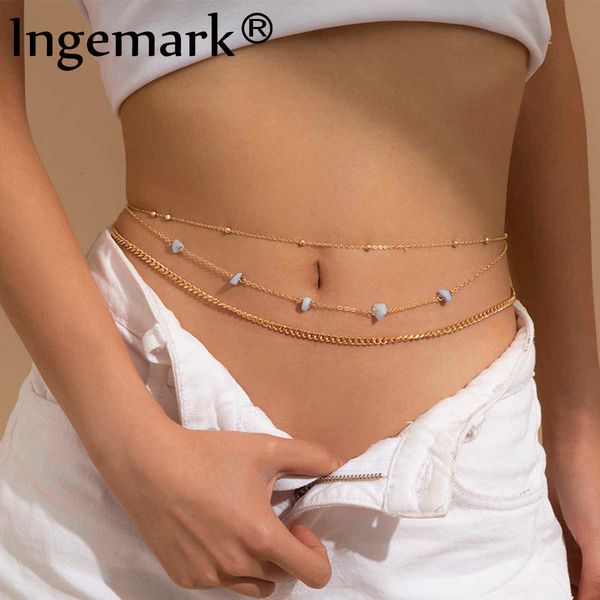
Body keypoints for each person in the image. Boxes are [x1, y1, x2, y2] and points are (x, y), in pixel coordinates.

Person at [0, 1, 598, 598]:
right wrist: (133, 451)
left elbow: (542, 43)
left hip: (461, 487)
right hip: (137, 454)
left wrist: (578, 435)